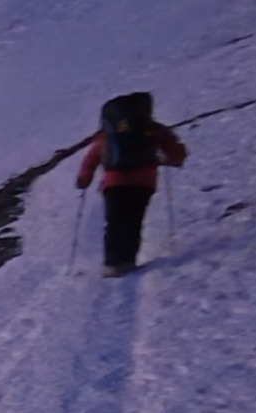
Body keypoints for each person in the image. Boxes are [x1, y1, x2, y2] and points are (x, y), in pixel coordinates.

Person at [76, 92, 188, 276]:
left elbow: (92, 157)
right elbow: (176, 154)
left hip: (113, 182)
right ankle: (127, 261)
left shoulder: (107, 132)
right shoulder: (154, 129)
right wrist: (172, 159)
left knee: (114, 223)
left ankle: (112, 264)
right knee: (133, 222)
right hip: (143, 182)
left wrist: (84, 179)